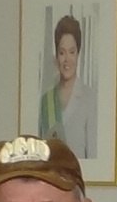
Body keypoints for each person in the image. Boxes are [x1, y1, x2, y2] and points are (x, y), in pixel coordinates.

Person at [37, 15, 98, 164]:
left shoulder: (89, 98)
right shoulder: (46, 100)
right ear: (56, 56)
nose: (67, 60)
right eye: (62, 52)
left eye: (72, 52)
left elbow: (92, 155)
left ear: (78, 54)